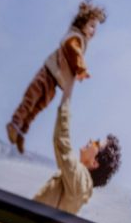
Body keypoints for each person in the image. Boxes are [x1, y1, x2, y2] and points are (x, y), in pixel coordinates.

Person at [7, 0, 107, 154]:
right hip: (47, 73)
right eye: (92, 26)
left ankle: (22, 132)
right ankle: (14, 124)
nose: (94, 31)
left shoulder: (82, 42)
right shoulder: (75, 36)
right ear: (82, 23)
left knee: (39, 106)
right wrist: (81, 68)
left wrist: (77, 74)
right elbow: (72, 50)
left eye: (96, 28)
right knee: (31, 99)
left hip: (55, 81)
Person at [32, 80, 122, 215]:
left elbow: (62, 143)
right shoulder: (78, 182)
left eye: (97, 143)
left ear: (94, 163)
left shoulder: (81, 183)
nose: (91, 140)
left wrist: (67, 93)